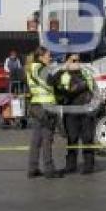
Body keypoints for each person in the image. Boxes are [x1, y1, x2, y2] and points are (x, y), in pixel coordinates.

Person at [54, 53, 98, 175]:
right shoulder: (63, 75)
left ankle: (89, 166)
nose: (77, 62)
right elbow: (59, 90)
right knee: (72, 139)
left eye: (78, 60)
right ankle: (70, 166)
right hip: (71, 110)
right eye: (73, 60)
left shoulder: (86, 73)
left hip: (86, 110)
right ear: (67, 61)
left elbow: (94, 89)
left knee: (87, 138)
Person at [26, 47, 63, 179]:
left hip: (36, 106)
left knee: (36, 139)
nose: (50, 58)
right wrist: (59, 72)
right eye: (48, 56)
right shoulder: (42, 69)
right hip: (46, 107)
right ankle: (49, 170)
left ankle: (33, 168)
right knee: (47, 139)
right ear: (41, 57)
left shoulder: (31, 68)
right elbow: (51, 82)